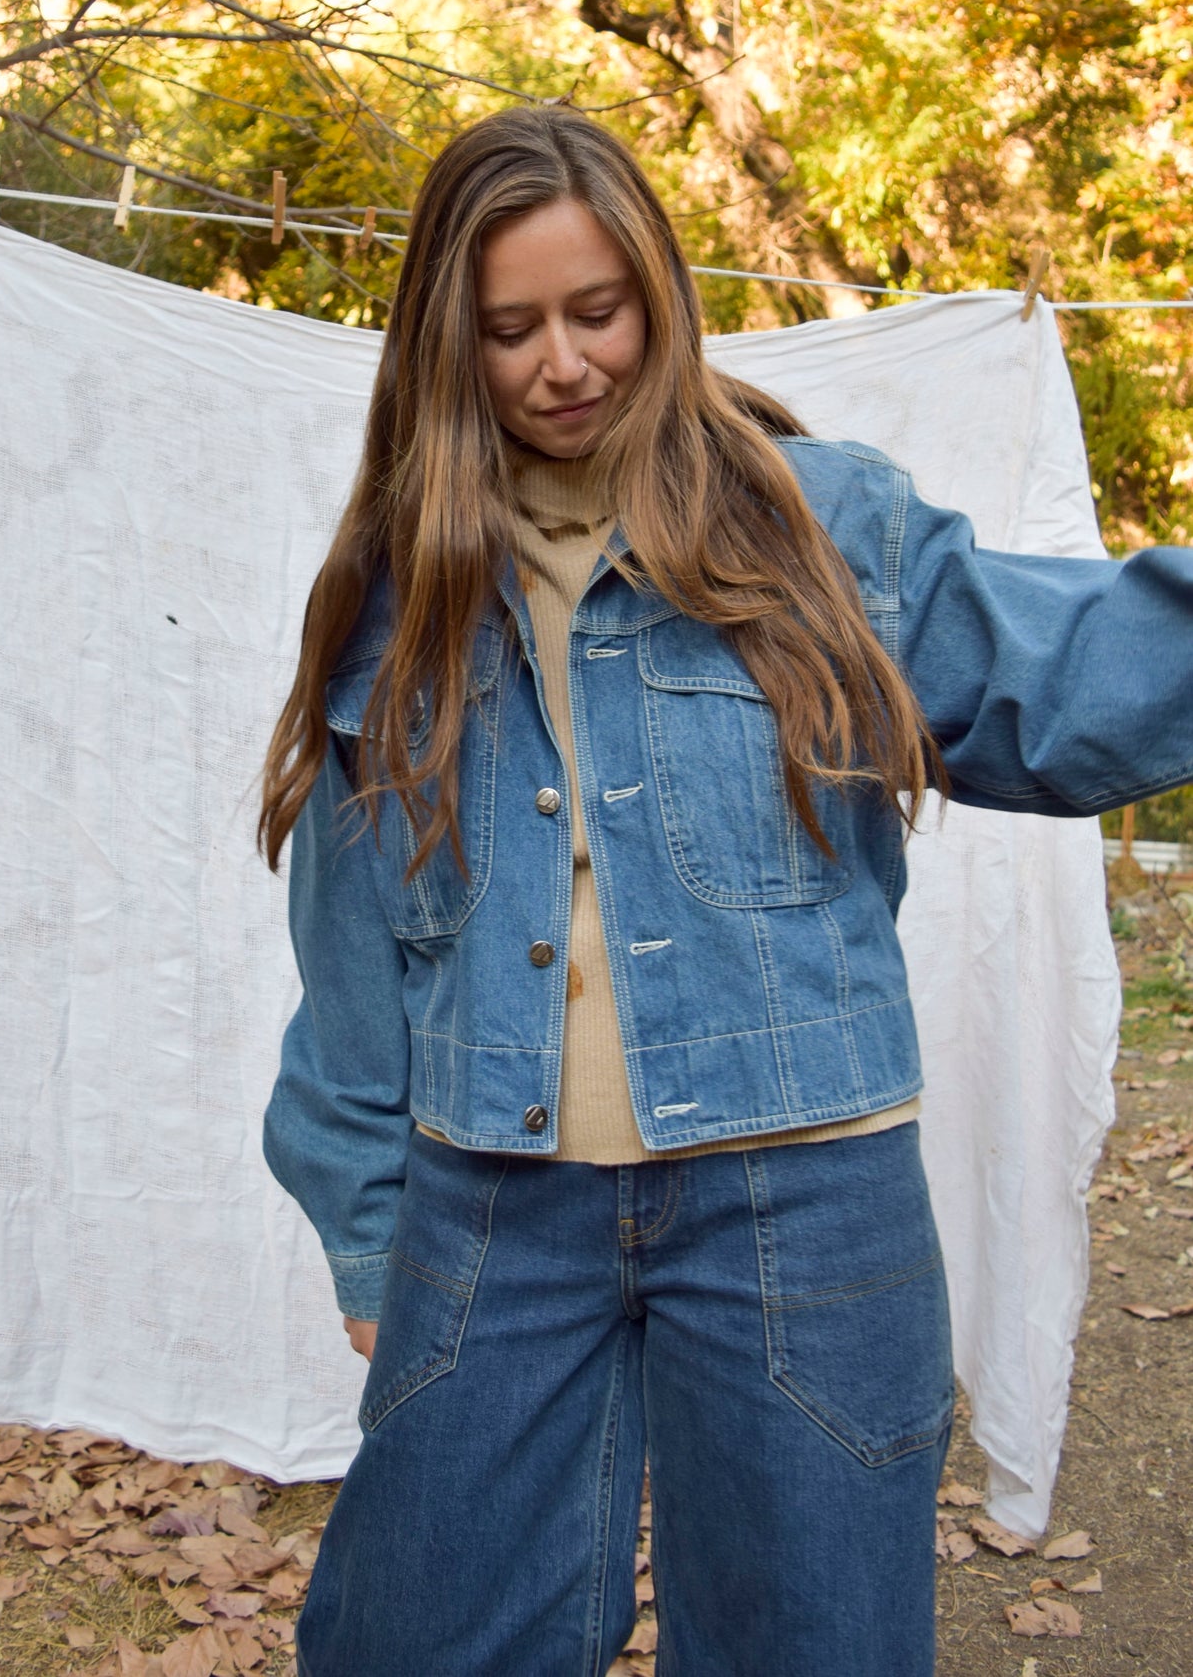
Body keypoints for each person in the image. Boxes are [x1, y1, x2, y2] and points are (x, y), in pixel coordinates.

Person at [257, 105, 1193, 1677]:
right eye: (509, 328)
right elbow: (353, 956)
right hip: (494, 1209)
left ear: (659, 301)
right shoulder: (398, 586)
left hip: (803, 1207)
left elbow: (1061, 673)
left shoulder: (816, 527)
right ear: (446, 342)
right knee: (418, 1642)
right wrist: (369, 1239)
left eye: (596, 312)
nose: (562, 363)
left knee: (811, 1648)